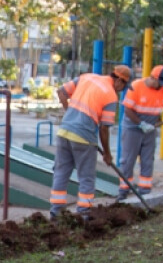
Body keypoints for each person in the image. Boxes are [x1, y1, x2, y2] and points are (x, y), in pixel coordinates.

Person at [49, 65, 131, 218]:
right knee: (86, 177)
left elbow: (61, 92)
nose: (122, 90)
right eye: (124, 86)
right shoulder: (111, 96)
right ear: (119, 80)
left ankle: (55, 212)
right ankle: (84, 212)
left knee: (61, 172)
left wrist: (70, 114)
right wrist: (107, 154)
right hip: (84, 138)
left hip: (64, 131)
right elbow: (104, 128)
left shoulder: (86, 77)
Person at [118, 65, 163, 200]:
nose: (161, 86)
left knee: (148, 159)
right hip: (133, 127)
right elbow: (128, 110)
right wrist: (140, 124)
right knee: (128, 160)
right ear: (153, 78)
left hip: (150, 128)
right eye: (160, 83)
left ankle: (144, 190)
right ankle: (124, 190)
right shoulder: (136, 86)